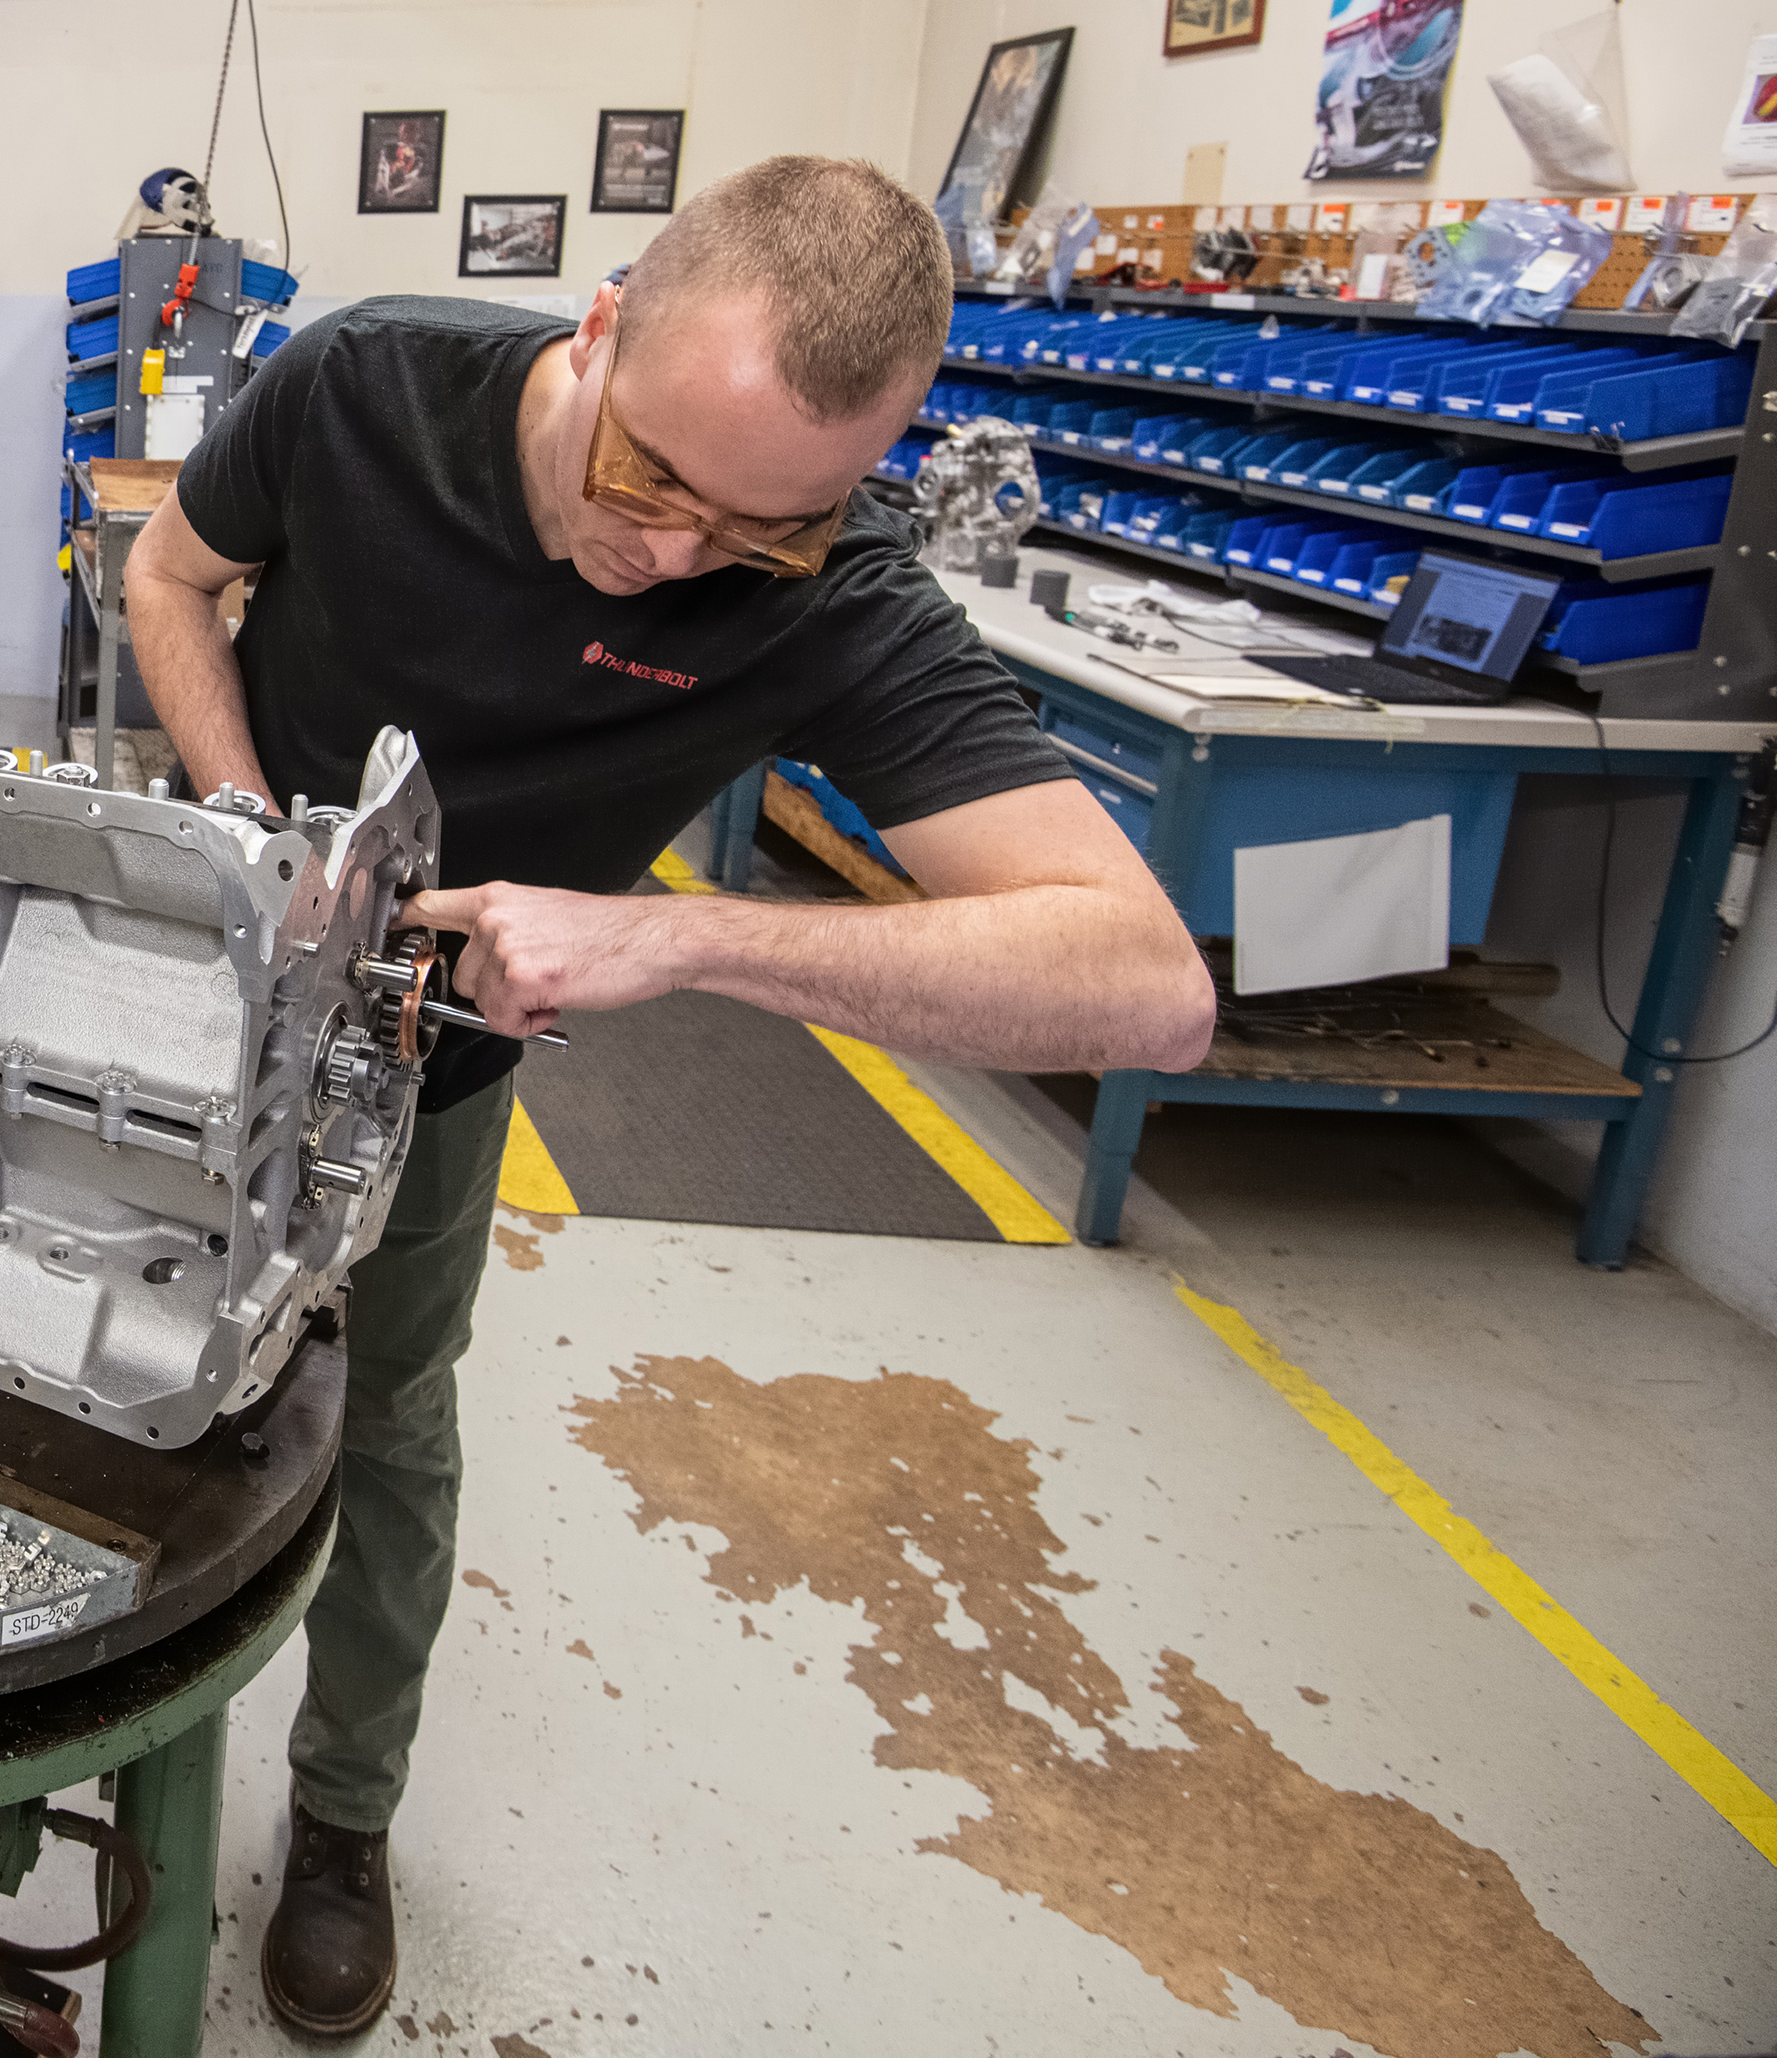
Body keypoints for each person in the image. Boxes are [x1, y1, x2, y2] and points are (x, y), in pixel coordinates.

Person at [124, 155, 1216, 2039]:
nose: (674, 555)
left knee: (382, 1419)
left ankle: (341, 1822)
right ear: (603, 324)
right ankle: (92, 1727)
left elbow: (1146, 984)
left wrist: (684, 943)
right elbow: (169, 573)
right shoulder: (366, 385)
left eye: (759, 530)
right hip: (194, 995)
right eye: (647, 480)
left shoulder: (831, 594)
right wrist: (242, 822)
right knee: (118, 1359)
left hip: (429, 1072)